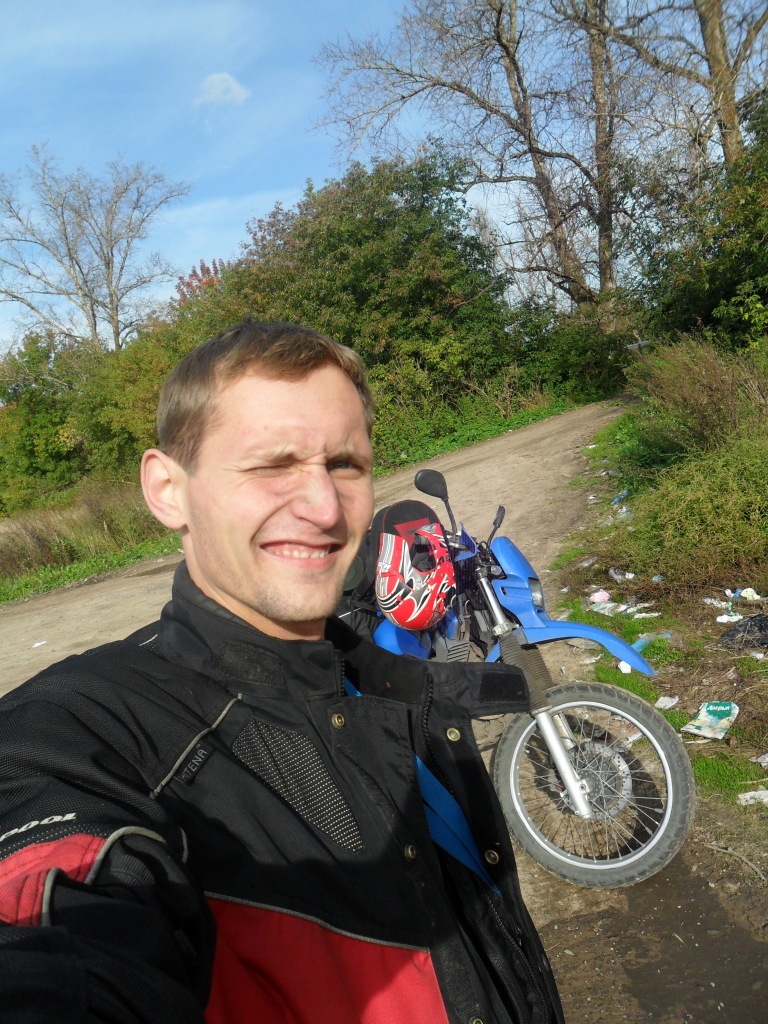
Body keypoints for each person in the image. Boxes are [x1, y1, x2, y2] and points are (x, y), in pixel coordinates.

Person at [0, 320, 565, 1024]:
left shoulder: (382, 681)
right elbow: (58, 933)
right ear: (168, 490)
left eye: (345, 465)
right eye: (272, 465)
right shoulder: (89, 733)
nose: (325, 509)